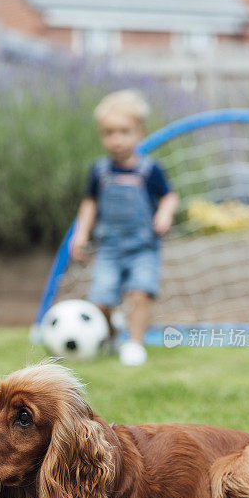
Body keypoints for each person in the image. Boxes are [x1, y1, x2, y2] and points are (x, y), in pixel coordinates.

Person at [70, 90, 179, 366]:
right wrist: (81, 234)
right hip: (110, 249)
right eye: (108, 133)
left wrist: (164, 214)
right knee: (101, 302)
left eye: (123, 131)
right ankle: (113, 334)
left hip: (143, 247)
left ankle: (134, 344)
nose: (116, 139)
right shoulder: (99, 171)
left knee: (140, 293)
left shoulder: (150, 170)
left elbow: (170, 195)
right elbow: (89, 204)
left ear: (140, 132)